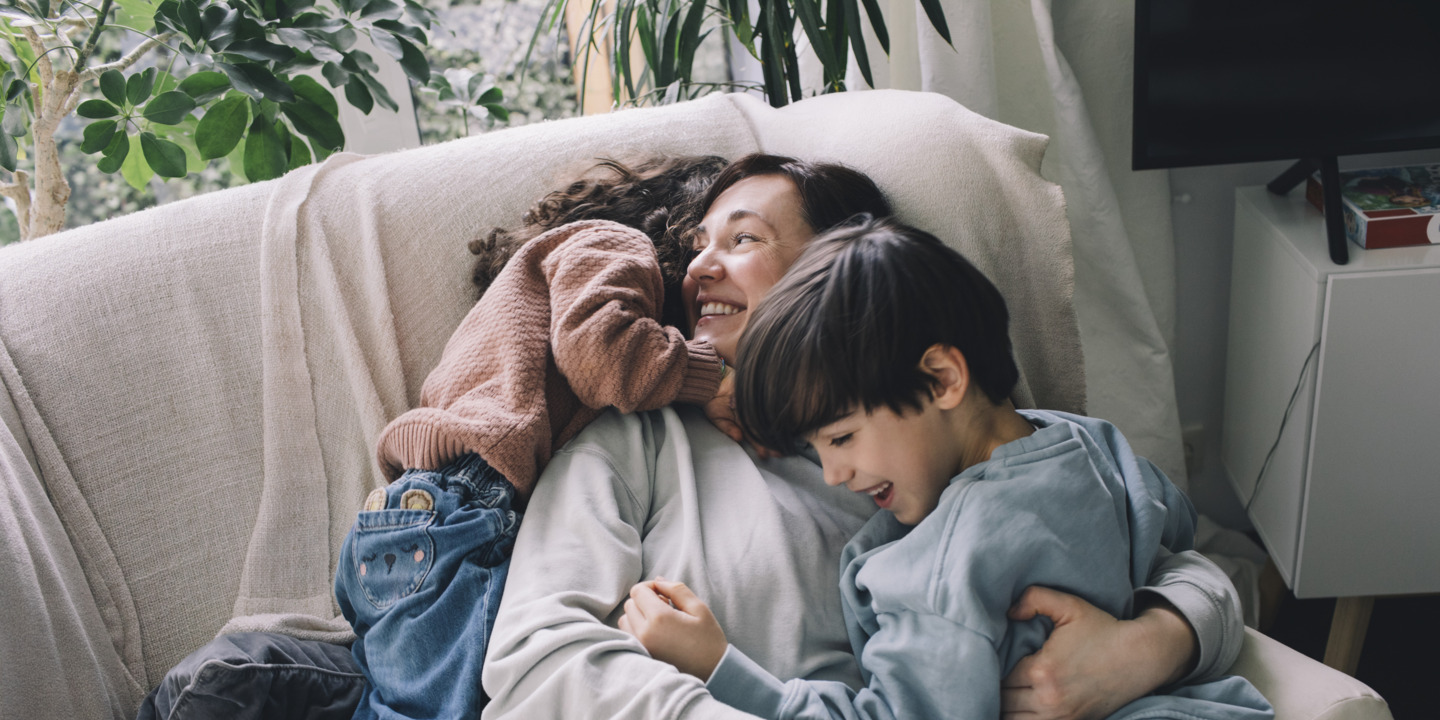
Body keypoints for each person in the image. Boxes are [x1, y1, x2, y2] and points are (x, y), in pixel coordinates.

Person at [479, 155, 1248, 720]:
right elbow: (537, 658)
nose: (700, 266)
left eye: (743, 240)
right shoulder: (637, 443)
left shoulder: (954, 436)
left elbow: (1176, 561)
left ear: (836, 260)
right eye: (697, 245)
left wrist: (1153, 643)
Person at [331, 155, 735, 720]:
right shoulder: (613, 244)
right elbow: (601, 354)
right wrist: (709, 377)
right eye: (707, 241)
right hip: (465, 512)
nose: (711, 268)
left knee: (394, 702)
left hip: (406, 516)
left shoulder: (544, 271)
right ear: (678, 228)